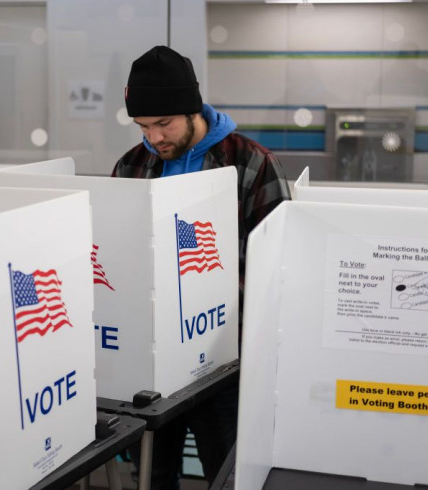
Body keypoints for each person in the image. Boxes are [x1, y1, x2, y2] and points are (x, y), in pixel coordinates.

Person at [112, 45, 291, 489]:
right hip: (151, 370)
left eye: (163, 124)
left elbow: (277, 271)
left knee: (227, 476)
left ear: (194, 109)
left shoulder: (251, 164)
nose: (153, 138)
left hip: (223, 367)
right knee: (152, 477)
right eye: (143, 126)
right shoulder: (132, 167)